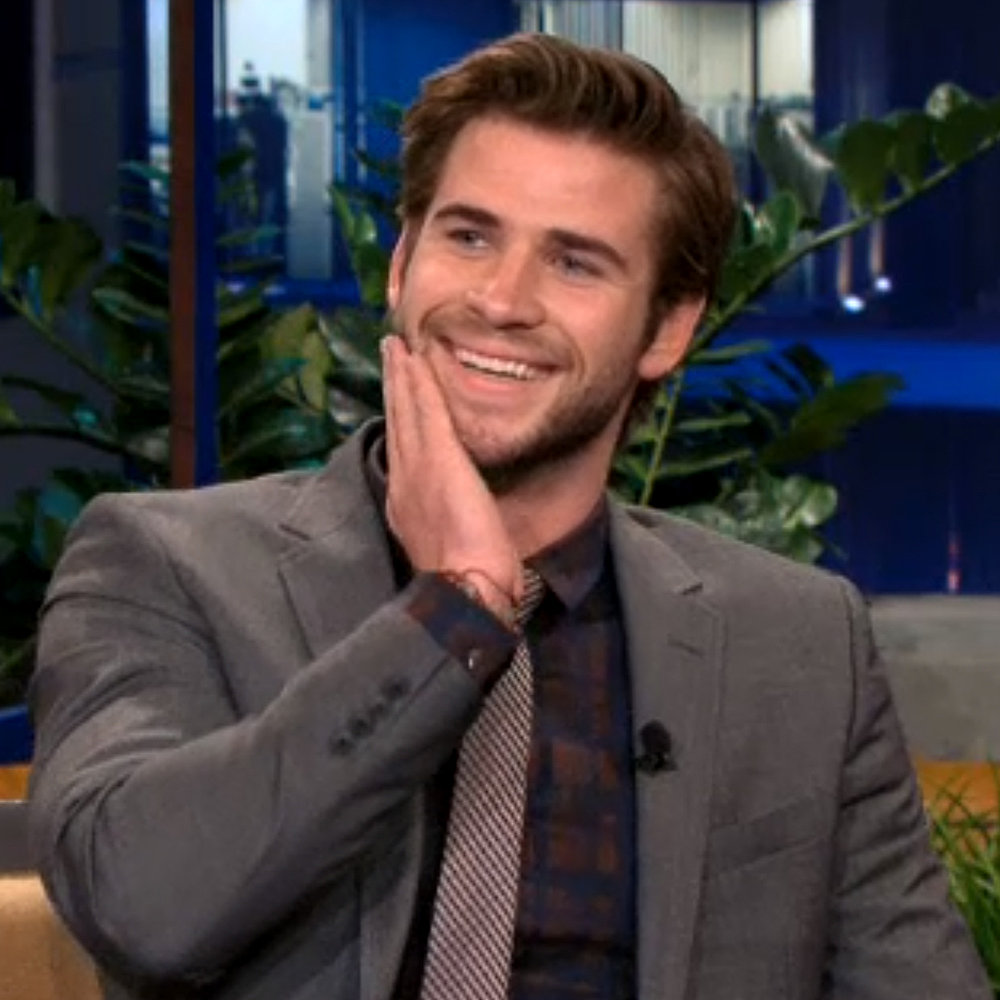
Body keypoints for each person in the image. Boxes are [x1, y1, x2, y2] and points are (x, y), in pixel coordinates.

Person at [28, 31, 988, 1000]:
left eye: (574, 262)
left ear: (667, 328)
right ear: (402, 262)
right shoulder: (169, 566)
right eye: (469, 237)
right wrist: (453, 613)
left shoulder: (799, 643)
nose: (500, 299)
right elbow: (139, 907)